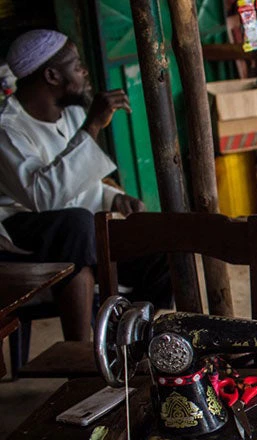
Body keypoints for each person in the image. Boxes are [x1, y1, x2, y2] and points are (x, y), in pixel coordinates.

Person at [0, 29, 166, 342]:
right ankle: (80, 350)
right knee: (76, 225)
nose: (84, 72)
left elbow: (79, 184)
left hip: (76, 232)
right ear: (51, 75)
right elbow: (43, 198)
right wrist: (91, 126)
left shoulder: (72, 114)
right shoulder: (7, 129)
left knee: (157, 241)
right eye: (76, 66)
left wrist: (114, 199)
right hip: (20, 237)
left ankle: (133, 338)